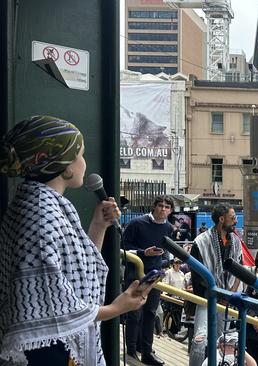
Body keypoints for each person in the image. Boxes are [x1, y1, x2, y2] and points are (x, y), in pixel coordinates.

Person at [0, 115, 153, 366]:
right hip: (48, 352)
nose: (84, 162)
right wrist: (118, 308)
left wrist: (98, 225)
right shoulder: (41, 214)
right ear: (66, 166)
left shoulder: (35, 204)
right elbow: (57, 308)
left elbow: (72, 273)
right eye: (80, 155)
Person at [189, 204, 243, 366]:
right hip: (207, 299)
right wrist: (217, 296)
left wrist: (230, 294)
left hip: (227, 300)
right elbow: (198, 277)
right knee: (200, 340)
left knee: (222, 341)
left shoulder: (236, 241)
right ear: (221, 219)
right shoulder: (201, 241)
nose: (236, 221)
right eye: (233, 218)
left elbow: (239, 270)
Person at [123, 195, 175, 366]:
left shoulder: (168, 227)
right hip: (135, 274)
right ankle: (131, 352)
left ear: (171, 210)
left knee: (151, 314)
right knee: (134, 313)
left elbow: (166, 252)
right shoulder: (137, 223)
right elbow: (123, 247)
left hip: (155, 275)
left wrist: (165, 262)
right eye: (160, 205)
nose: (163, 209)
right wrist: (143, 253)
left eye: (167, 207)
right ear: (154, 207)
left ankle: (147, 352)